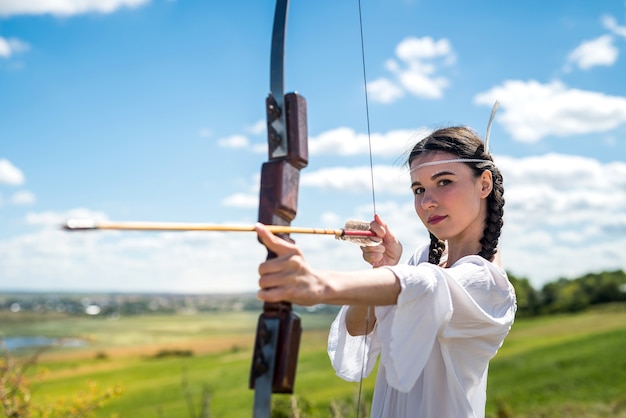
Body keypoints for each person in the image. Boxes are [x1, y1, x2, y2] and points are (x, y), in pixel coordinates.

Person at [255, 126, 517, 417]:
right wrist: (383, 269)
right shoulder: (423, 260)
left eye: (444, 182)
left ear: (484, 185)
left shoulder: (489, 284)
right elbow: (360, 327)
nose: (427, 201)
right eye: (419, 189)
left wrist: (319, 284)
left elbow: (427, 285)